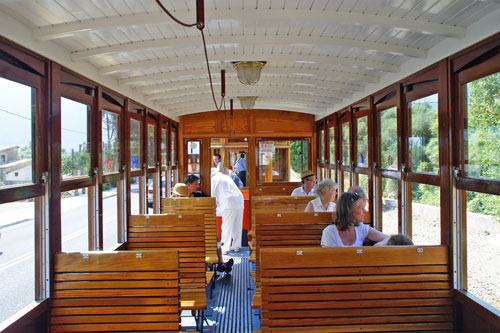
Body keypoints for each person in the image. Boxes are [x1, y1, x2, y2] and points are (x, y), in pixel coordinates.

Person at [321, 192, 389, 247]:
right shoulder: (330, 232)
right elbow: (328, 258)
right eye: (362, 208)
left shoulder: (361, 228)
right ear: (350, 210)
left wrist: (379, 245)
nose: (365, 211)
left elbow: (388, 238)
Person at [211, 168, 244, 255]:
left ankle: (224, 248)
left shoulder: (215, 179)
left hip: (228, 202)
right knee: (237, 224)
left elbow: (212, 194)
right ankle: (236, 246)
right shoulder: (226, 177)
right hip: (239, 200)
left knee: (226, 225)